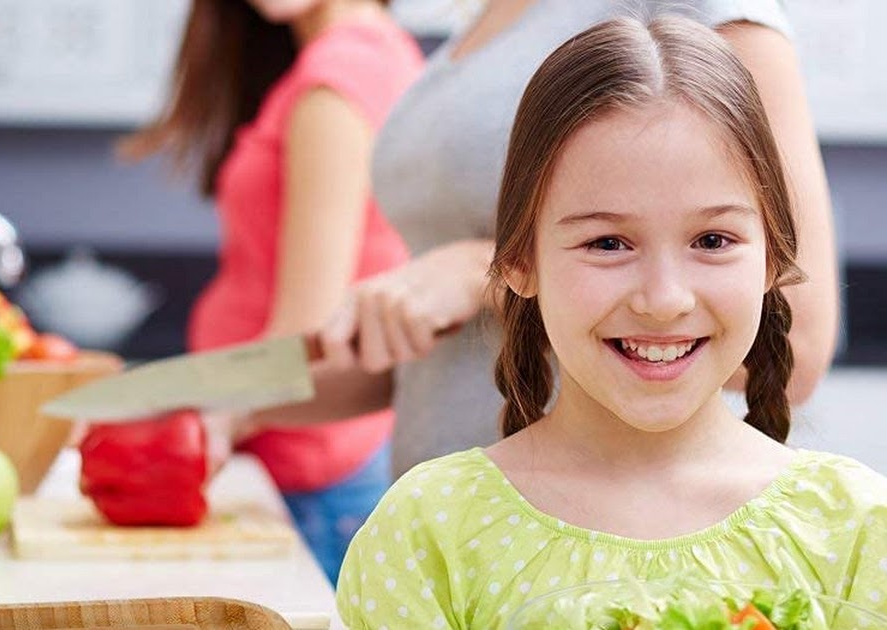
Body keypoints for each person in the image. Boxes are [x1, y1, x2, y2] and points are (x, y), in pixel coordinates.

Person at [335, 15, 887, 628]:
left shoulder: (858, 527)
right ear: (519, 260)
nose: (664, 298)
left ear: (772, 258)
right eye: (607, 244)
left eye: (711, 238)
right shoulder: (426, 532)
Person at [247, 0, 840, 480]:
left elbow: (795, 345)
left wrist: (478, 273)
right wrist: (206, 398)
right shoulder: (476, 27)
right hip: (444, 536)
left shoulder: (706, 14)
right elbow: (434, 355)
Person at [120, 0, 423, 584]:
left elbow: (304, 334)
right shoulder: (378, 54)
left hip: (310, 481)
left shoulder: (337, 80)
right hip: (315, 467)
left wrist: (179, 417)